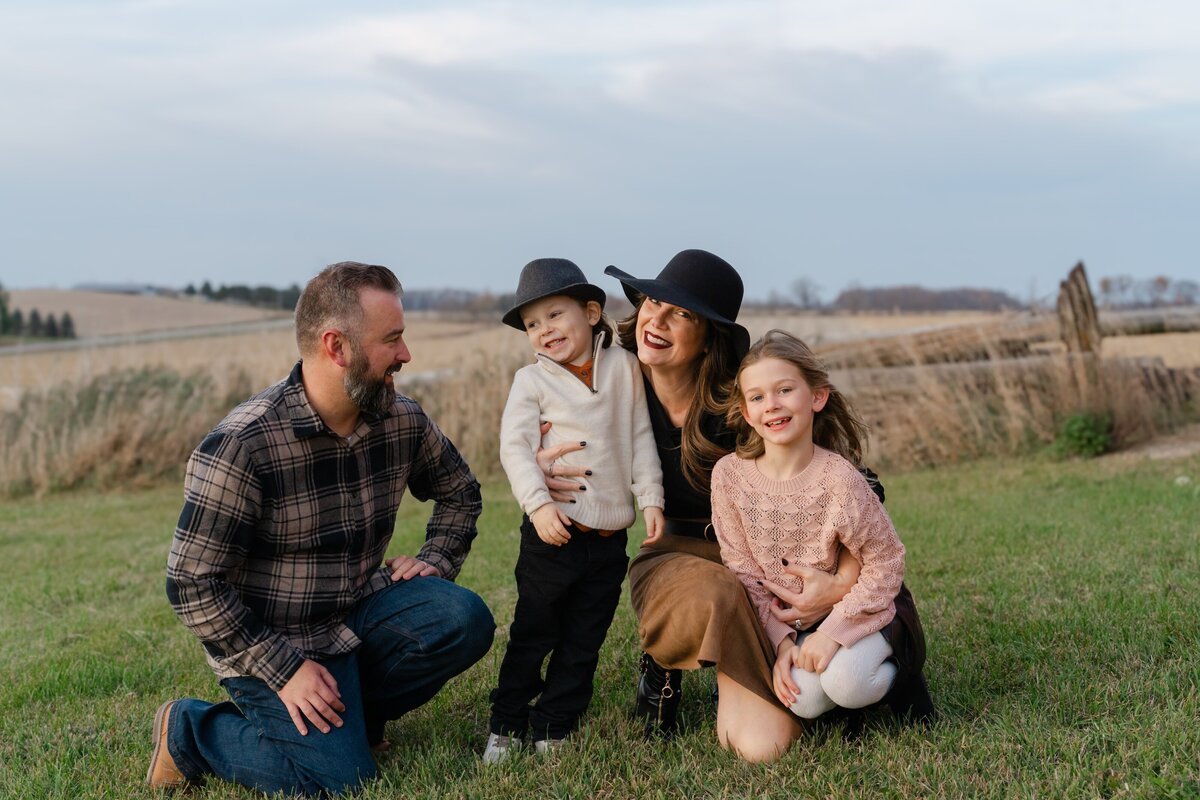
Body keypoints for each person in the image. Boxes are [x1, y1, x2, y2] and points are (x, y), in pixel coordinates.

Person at [146, 262, 495, 796]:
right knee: (341, 785)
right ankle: (192, 731)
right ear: (337, 346)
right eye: (393, 339)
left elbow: (460, 492)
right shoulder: (243, 446)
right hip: (272, 641)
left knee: (462, 617)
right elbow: (192, 584)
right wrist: (285, 671)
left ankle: (352, 718)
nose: (406, 355)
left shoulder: (401, 419)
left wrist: (437, 560)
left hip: (356, 612)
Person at [535, 249, 881, 762]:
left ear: (708, 338)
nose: (657, 319)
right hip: (674, 553)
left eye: (682, 313)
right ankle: (668, 661)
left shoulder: (744, 403)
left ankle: (802, 672)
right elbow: (544, 440)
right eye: (653, 302)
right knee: (718, 592)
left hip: (763, 558)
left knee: (767, 746)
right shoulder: (608, 385)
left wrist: (842, 581)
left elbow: (860, 488)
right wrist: (544, 466)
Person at [484, 258, 665, 762]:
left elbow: (640, 437)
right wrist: (539, 505)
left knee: (585, 638)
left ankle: (554, 723)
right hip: (552, 529)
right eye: (532, 325)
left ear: (590, 312)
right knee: (534, 631)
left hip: (608, 539)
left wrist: (650, 496)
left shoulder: (625, 367)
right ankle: (507, 721)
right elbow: (515, 448)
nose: (543, 331)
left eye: (554, 316)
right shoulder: (532, 382)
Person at [711, 330, 930, 724]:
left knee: (847, 682)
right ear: (746, 413)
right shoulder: (728, 477)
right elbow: (742, 572)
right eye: (757, 397)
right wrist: (781, 643)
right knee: (804, 700)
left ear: (817, 396)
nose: (771, 405)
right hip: (794, 626)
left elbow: (887, 562)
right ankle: (841, 699)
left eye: (784, 390)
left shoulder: (840, 479)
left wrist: (835, 632)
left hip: (861, 610)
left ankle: (903, 679)